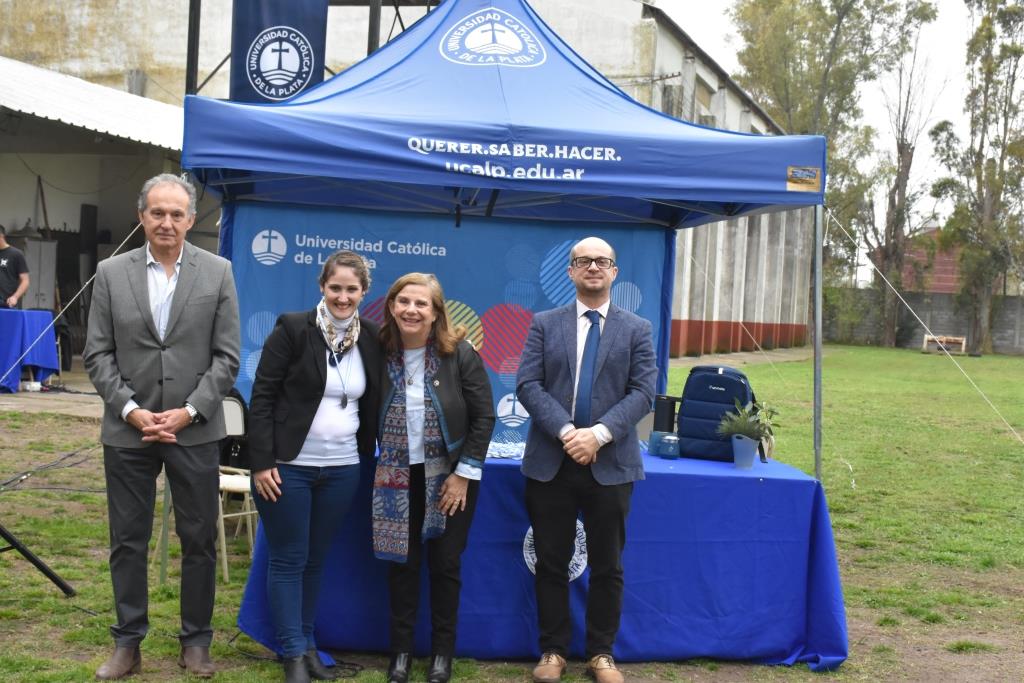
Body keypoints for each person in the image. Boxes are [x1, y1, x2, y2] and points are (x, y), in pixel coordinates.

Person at [84, 174, 240, 680]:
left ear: (192, 220)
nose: (167, 222)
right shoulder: (110, 273)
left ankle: (195, 642)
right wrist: (130, 409)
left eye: (177, 214)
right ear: (142, 216)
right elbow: (97, 353)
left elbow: (227, 357)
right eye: (158, 213)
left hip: (194, 430)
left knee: (198, 541)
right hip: (128, 431)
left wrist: (190, 410)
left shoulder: (218, 273)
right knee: (127, 540)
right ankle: (127, 644)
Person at [516, 237, 656, 683]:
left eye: (602, 261)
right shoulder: (544, 323)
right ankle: (553, 651)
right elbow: (528, 384)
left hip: (610, 464)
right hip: (551, 461)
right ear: (571, 271)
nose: (593, 267)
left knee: (607, 564)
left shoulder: (637, 328)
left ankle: (601, 654)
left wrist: (597, 435)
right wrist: (566, 432)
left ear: (614, 271)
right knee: (551, 561)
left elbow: (644, 393)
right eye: (583, 261)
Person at [247, 251, 381, 683]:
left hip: (342, 468)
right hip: (288, 467)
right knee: (288, 558)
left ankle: (307, 647)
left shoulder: (372, 337)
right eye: (335, 288)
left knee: (315, 560)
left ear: (364, 292)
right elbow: (263, 398)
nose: (343, 297)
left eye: (351, 289)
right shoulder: (292, 327)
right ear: (322, 287)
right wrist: (262, 462)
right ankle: (291, 654)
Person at [372, 273, 495, 683]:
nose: (412, 310)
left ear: (436, 311)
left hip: (451, 476)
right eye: (403, 301)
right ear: (391, 306)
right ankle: (400, 655)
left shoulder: (459, 353)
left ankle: (442, 655)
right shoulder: (378, 350)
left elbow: (484, 417)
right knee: (402, 566)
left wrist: (463, 474)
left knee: (445, 565)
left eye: (422, 303)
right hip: (395, 475)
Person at [0, 223, 30, 308]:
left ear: (1, 236)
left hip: (7, 303)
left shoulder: (16, 254)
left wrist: (15, 297)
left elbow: (25, 281)